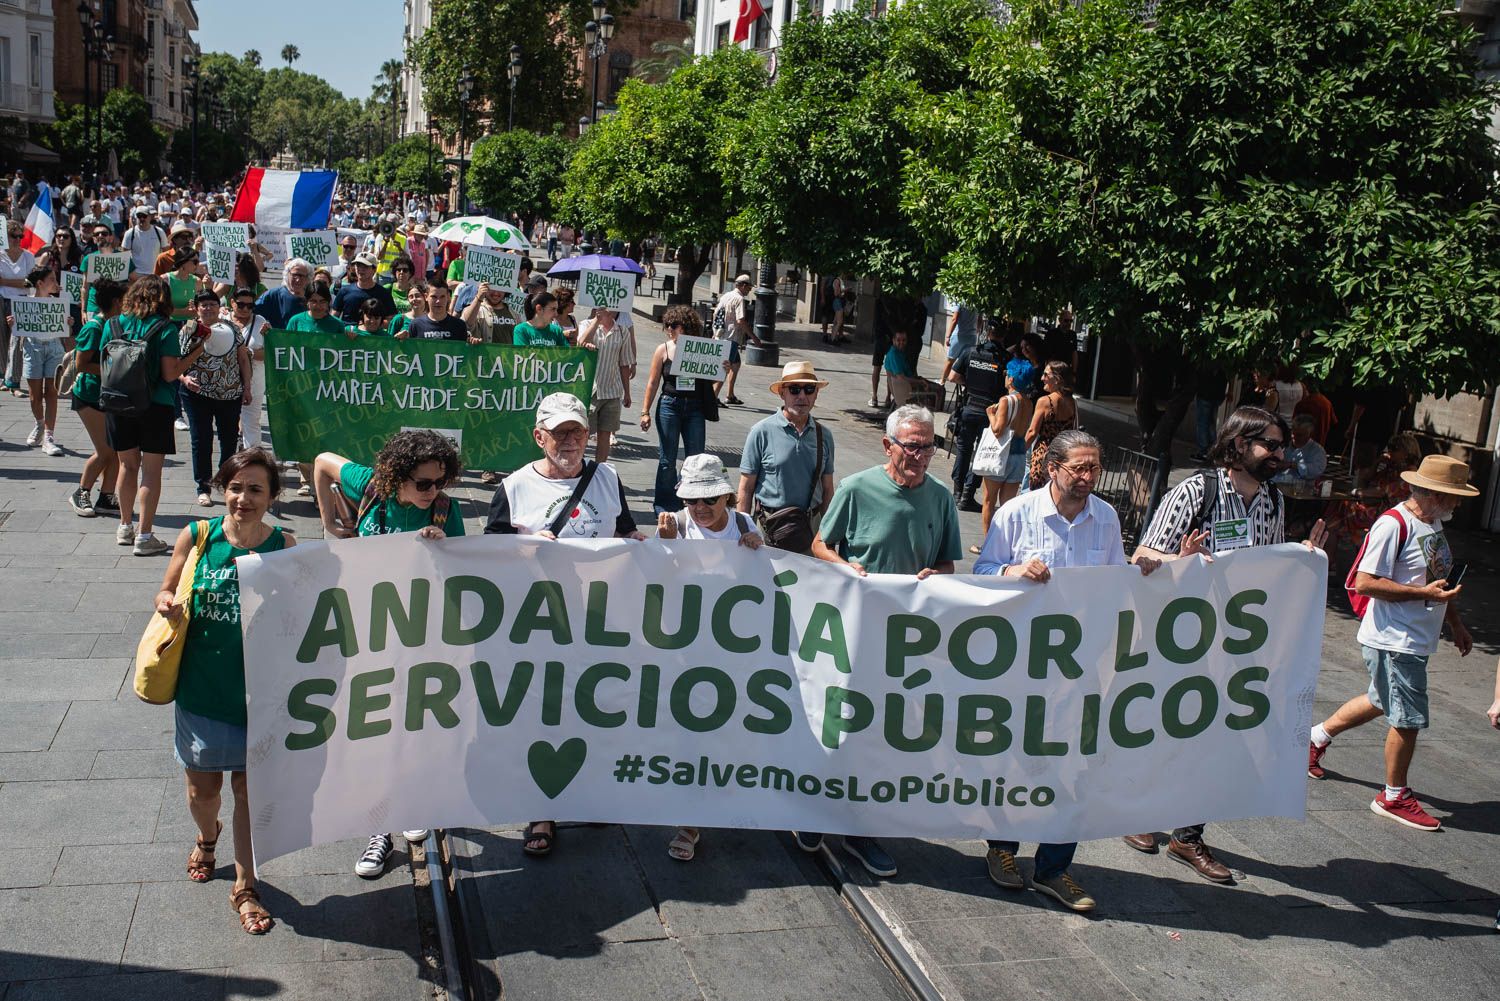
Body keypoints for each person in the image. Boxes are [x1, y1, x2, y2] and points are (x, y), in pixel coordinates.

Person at [1124, 407, 1328, 879]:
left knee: (1215, 737)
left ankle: (1187, 835)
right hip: (1183, 638)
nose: (1280, 454)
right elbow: (1142, 556)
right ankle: (1137, 812)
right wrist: (1181, 559)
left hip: (1236, 642)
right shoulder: (1197, 492)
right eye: (1270, 445)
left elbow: (1267, 569)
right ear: (1239, 444)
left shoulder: (1273, 502)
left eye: (1282, 446)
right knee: (1166, 728)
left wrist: (1303, 561)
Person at [974, 429, 1163, 911]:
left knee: (1075, 766)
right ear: (1051, 467)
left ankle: (1054, 868)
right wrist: (1011, 572)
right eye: (1078, 468)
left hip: (1082, 668)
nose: (1087, 477)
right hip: (1024, 664)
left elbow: (1115, 583)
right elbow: (982, 573)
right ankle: (1002, 848)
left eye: (1094, 468)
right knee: (1017, 758)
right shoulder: (1016, 513)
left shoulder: (1106, 518)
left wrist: (1146, 570)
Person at [802, 404, 961, 878]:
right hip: (854, 633)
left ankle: (861, 830)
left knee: (884, 735)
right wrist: (844, 567)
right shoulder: (855, 489)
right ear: (888, 445)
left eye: (929, 447)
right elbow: (819, 545)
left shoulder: (941, 498)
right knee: (839, 722)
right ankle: (815, 811)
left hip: (907, 641)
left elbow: (948, 564)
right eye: (911, 446)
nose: (921, 455)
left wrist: (936, 576)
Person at [484, 392, 644, 857]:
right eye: (559, 433)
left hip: (598, 623)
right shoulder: (514, 488)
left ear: (589, 435)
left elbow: (624, 529)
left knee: (596, 708)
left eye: (577, 431)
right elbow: (485, 557)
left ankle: (589, 792)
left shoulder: (608, 478)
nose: (570, 441)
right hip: (539, 625)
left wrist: (645, 542)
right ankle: (542, 810)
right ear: (540, 437)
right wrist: (523, 545)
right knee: (544, 715)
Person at [313, 430, 466, 877]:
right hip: (366, 631)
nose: (433, 491)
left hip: (418, 635)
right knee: (373, 730)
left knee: (412, 723)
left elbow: (462, 571)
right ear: (397, 476)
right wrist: (329, 521)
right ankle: (378, 828)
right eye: (423, 483)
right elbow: (321, 461)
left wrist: (442, 547)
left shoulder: (446, 509)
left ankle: (411, 802)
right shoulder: (369, 486)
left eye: (440, 481)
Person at [157, 449, 293, 936]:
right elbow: (166, 588)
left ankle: (245, 886)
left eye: (256, 489)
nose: (243, 498)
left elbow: (302, 609)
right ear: (223, 489)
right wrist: (167, 603)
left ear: (272, 497)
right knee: (204, 792)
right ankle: (207, 835)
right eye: (235, 487)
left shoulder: (284, 544)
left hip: (259, 695)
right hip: (203, 689)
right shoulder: (198, 536)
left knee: (249, 793)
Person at [1308, 456, 1476, 832]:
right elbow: (1365, 582)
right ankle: (1393, 796)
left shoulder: (1431, 523)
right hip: (1395, 640)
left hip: (1412, 638)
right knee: (1408, 718)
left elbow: (1439, 580)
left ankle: (1314, 739)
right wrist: (1423, 594)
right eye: (1455, 496)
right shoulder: (1392, 525)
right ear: (1435, 494)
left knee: (1381, 699)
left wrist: (1455, 622)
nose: (1458, 504)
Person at [654, 453, 763, 862]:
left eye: (708, 500)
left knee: (730, 732)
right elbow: (653, 584)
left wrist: (759, 552)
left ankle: (725, 794)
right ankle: (690, 820)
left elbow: (766, 586)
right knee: (690, 734)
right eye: (691, 500)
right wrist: (665, 548)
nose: (699, 508)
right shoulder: (675, 526)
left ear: (726, 497)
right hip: (685, 652)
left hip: (733, 652)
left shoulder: (745, 526)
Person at [107, 274, 207, 555]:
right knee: (150, 472)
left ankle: (124, 526)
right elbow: (170, 373)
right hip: (155, 403)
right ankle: (144, 535)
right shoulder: (165, 327)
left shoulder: (114, 323)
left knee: (126, 466)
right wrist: (196, 352)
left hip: (118, 402)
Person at [738, 360, 835, 556]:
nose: (802, 396)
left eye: (809, 389)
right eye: (794, 389)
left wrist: (829, 535)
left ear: (816, 394)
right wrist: (742, 530)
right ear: (782, 393)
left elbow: (827, 490)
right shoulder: (761, 431)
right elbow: (746, 488)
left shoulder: (824, 435)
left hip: (810, 530)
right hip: (769, 529)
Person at [178, 291, 252, 507]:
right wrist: (184, 379)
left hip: (229, 394)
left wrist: (247, 387)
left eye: (212, 304)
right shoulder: (188, 330)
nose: (208, 308)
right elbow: (175, 361)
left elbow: (243, 359)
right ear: (197, 308)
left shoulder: (232, 329)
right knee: (201, 439)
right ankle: (203, 487)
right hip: (196, 394)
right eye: (204, 305)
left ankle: (225, 479)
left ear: (219, 307)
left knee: (229, 439)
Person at [640, 305, 714, 514]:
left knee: (695, 457)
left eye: (674, 325)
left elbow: (710, 381)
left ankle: (691, 501)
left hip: (695, 407)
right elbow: (653, 382)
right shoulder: (663, 349)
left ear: (686, 326)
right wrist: (645, 411)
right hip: (670, 405)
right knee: (667, 459)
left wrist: (722, 370)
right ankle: (665, 505)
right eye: (667, 325)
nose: (669, 329)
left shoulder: (699, 349)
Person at [68, 278, 126, 516]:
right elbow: (81, 364)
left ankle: (106, 497)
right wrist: (115, 371)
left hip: (109, 395)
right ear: (117, 301)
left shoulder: (116, 324)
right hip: (89, 395)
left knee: (116, 449)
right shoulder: (94, 327)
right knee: (105, 451)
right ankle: (81, 492)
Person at [974, 359, 1038, 551]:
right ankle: (1005, 545)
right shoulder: (1029, 403)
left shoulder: (1005, 401)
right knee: (1008, 505)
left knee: (989, 500)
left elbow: (997, 430)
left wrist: (990, 414)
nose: (1005, 377)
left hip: (1000, 456)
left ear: (1011, 378)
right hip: (1018, 456)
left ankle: (989, 546)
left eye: (1007, 374)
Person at [947, 315, 1008, 512]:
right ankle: (968, 495)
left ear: (987, 332)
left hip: (969, 407)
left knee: (963, 450)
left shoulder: (970, 352)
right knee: (982, 453)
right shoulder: (1005, 359)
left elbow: (953, 376)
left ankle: (957, 492)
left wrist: (970, 384)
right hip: (991, 413)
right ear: (1003, 335)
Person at [11, 266, 68, 455]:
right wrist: (13, 324)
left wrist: (68, 324)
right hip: (32, 348)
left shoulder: (58, 304)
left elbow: (66, 330)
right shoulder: (25, 303)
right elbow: (18, 329)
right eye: (52, 279)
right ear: (40, 283)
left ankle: (49, 437)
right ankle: (40, 424)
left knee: (52, 392)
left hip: (54, 348)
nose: (56, 283)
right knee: (35, 396)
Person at [578, 307, 633, 463]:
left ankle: (599, 468)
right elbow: (581, 342)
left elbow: (624, 363)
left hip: (612, 390)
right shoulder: (586, 324)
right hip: (590, 390)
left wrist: (627, 392)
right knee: (583, 433)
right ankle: (579, 467)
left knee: (605, 434)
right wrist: (597, 320)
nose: (610, 310)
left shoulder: (622, 331)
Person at [226, 289, 271, 451]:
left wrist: (249, 353)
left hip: (254, 380)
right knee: (227, 422)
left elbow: (269, 353)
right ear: (232, 302)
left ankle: (252, 458)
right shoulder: (223, 320)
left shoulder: (261, 322)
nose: (245, 309)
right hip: (226, 381)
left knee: (252, 421)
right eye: (241, 305)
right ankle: (230, 457)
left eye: (250, 306)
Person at [1025, 360, 1078, 489]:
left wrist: (1019, 450)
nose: (1042, 378)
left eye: (1046, 375)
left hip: (1043, 455)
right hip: (1062, 455)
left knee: (1033, 494)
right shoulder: (1072, 402)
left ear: (1057, 379)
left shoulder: (1045, 401)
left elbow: (1032, 432)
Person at [0, 217, 36, 394]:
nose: (17, 239)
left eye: (20, 236)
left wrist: (5, 281)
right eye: (13, 236)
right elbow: (23, 281)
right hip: (1, 299)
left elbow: (30, 283)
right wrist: (18, 282)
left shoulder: (28, 256)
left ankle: (13, 381)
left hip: (21, 302)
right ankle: (2, 377)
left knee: (17, 343)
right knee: (2, 340)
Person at [712, 274, 760, 405]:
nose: (749, 290)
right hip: (731, 338)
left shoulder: (726, 296)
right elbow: (741, 320)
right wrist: (753, 337)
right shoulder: (739, 299)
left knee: (736, 364)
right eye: (749, 288)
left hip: (722, 336)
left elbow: (716, 314)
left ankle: (730, 395)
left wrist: (715, 333)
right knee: (724, 368)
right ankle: (713, 397)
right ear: (743, 286)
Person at [332, 253, 396, 324]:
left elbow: (391, 320)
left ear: (374, 269)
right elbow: (334, 317)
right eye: (358, 265)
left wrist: (372, 325)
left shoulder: (383, 294)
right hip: (347, 330)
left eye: (365, 266)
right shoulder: (344, 291)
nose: (360, 269)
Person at [254, 257, 310, 328]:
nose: (298, 280)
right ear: (287, 274)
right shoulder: (273, 295)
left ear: (308, 278)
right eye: (295, 275)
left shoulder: (313, 297)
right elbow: (252, 315)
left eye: (302, 276)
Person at [1276, 414, 1328, 488]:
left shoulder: (1317, 451)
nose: (1293, 436)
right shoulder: (1284, 444)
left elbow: (1316, 470)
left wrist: (1293, 465)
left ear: (1309, 434)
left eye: (1299, 435)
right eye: (1293, 433)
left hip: (1301, 488)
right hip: (1276, 484)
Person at [939, 302, 978, 386]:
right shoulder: (976, 302)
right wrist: (975, 331)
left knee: (950, 360)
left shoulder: (960, 302)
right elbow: (980, 320)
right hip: (972, 336)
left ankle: (942, 381)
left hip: (959, 336)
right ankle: (965, 385)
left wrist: (948, 336)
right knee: (968, 362)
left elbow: (954, 319)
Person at [122, 207, 168, 277]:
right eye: (139, 216)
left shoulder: (159, 232)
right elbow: (125, 256)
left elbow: (166, 252)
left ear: (150, 217)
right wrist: (131, 274)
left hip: (155, 273)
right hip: (136, 274)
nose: (142, 219)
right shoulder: (130, 233)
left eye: (144, 216)